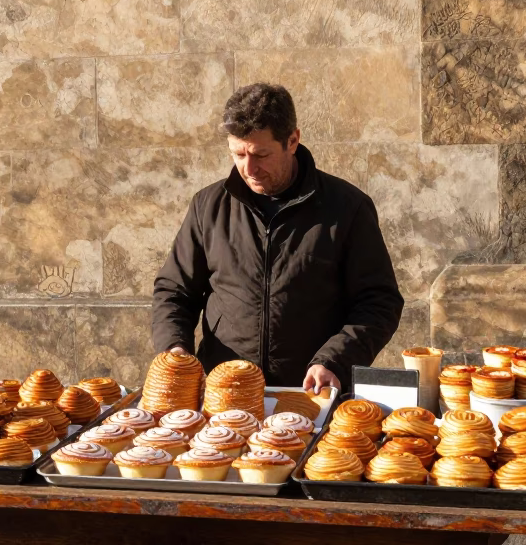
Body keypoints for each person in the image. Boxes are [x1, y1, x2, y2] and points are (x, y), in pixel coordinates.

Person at [152, 83, 405, 393]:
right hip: (223, 394)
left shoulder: (348, 208)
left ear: (293, 140)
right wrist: (174, 347)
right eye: (238, 154)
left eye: (261, 154)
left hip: (311, 393)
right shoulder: (208, 206)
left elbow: (379, 302)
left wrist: (335, 360)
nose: (249, 168)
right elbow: (174, 291)